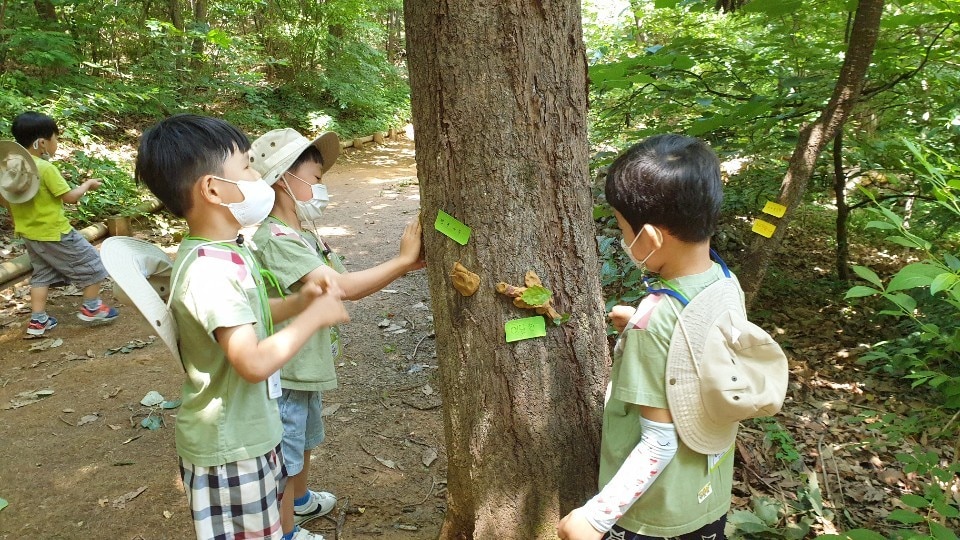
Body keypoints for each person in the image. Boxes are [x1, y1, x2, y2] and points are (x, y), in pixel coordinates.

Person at [134, 114, 350, 540]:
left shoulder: (227, 250)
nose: (257, 178)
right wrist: (312, 318)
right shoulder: (209, 270)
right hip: (231, 448)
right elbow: (250, 361)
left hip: (252, 433)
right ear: (213, 188)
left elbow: (248, 313)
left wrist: (298, 301)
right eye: (248, 168)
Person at [248, 128, 424, 540]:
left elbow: (348, 282)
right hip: (287, 368)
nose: (321, 187)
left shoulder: (304, 234)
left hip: (306, 364)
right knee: (286, 452)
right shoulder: (274, 240)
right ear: (283, 180)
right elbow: (339, 290)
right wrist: (400, 261)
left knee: (304, 437)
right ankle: (285, 531)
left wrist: (405, 266)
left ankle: (301, 500)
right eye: (317, 177)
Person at [558, 134, 733, 540]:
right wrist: (642, 318)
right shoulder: (724, 281)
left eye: (622, 229)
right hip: (708, 492)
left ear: (650, 238)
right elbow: (695, 344)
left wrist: (596, 517)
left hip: (654, 514)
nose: (622, 239)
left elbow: (659, 442)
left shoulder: (654, 324)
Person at [1, 112, 118, 336]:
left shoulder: (10, 167)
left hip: (29, 234)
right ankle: (92, 307)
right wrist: (87, 185)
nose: (56, 144)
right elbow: (70, 197)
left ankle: (38, 320)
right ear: (42, 143)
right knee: (94, 264)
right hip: (55, 232)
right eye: (56, 139)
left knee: (42, 274)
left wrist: (16, 220)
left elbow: (5, 199)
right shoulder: (45, 169)